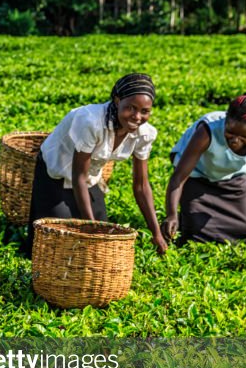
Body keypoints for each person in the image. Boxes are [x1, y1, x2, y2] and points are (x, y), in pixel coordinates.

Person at [26, 73, 167, 255]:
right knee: (58, 235)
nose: (137, 116)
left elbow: (141, 185)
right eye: (130, 108)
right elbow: (78, 177)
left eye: (145, 111)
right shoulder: (91, 121)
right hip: (56, 170)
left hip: (90, 177)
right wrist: (90, 227)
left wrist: (156, 233)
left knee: (102, 226)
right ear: (117, 101)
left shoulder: (145, 133)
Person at [163, 94, 246, 245]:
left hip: (233, 181)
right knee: (195, 237)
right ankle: (185, 218)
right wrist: (171, 214)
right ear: (226, 119)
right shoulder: (207, 130)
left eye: (244, 137)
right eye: (231, 132)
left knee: (241, 235)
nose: (235, 140)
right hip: (196, 178)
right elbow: (179, 177)